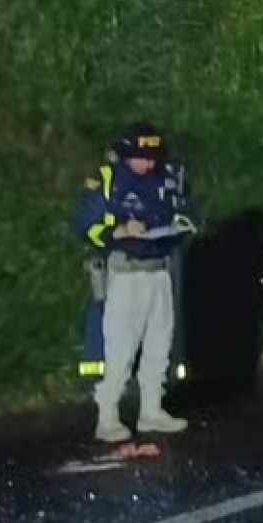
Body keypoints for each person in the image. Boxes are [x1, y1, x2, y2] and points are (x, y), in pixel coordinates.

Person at [71, 123, 195, 442]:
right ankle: (107, 417)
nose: (147, 163)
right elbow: (85, 223)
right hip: (125, 274)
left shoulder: (166, 175)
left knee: (159, 345)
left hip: (159, 271)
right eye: (140, 157)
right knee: (120, 349)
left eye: (151, 156)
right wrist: (120, 231)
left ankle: (152, 411)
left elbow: (184, 209)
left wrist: (181, 223)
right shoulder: (109, 179)